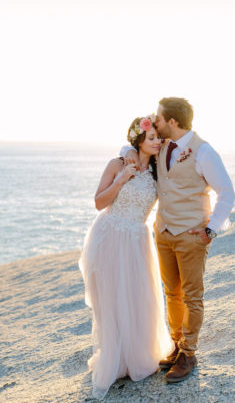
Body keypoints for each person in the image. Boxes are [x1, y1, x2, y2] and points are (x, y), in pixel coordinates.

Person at [123, 97, 235, 383]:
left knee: (192, 295)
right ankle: (176, 346)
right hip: (164, 234)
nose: (155, 122)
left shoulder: (204, 151)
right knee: (171, 293)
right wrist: (127, 153)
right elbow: (133, 145)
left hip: (191, 236)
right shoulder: (160, 145)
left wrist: (211, 229)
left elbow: (227, 192)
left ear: (172, 121)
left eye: (158, 118)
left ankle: (189, 353)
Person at [78, 115, 174, 399]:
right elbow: (99, 203)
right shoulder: (118, 164)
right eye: (152, 138)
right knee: (110, 298)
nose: (157, 142)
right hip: (110, 234)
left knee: (138, 296)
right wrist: (121, 180)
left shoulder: (158, 170)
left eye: (159, 138)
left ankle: (138, 356)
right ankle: (116, 359)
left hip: (138, 239)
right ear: (138, 140)